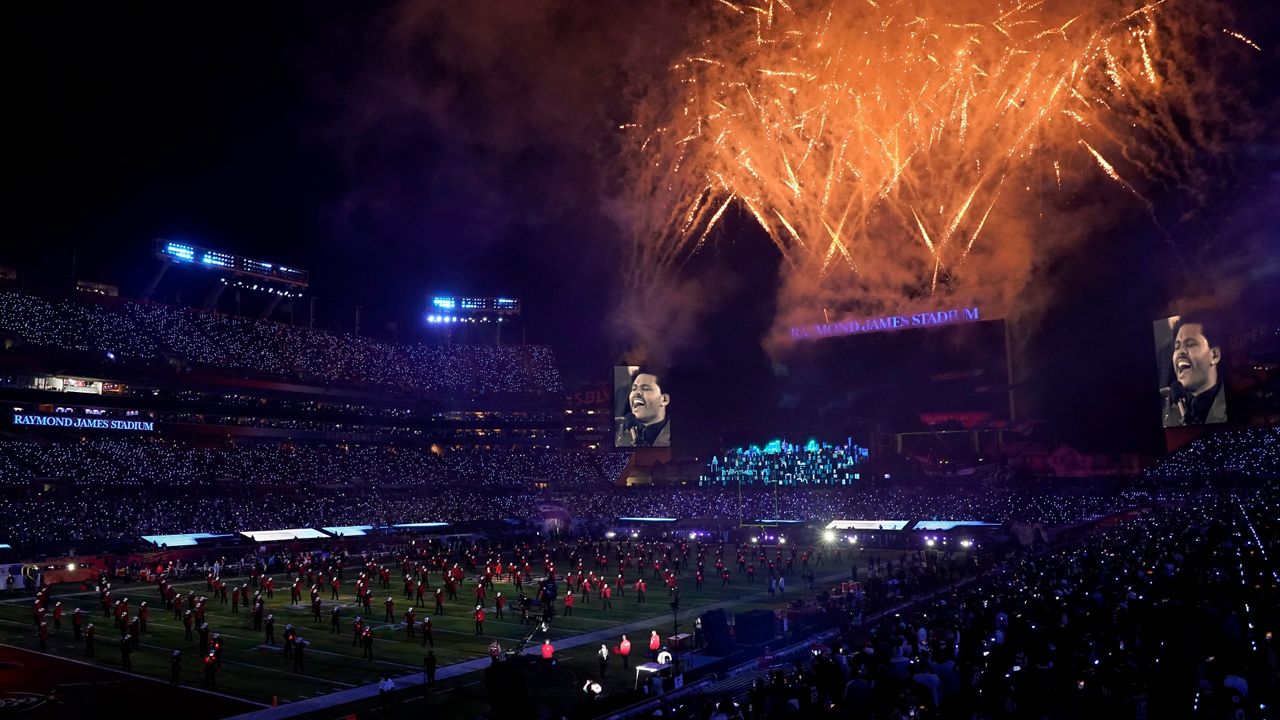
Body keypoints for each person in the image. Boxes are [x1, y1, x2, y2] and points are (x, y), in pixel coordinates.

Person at [1161, 314, 1228, 426]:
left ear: (1215, 355)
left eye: (1190, 344)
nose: (1180, 352)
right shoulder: (1165, 404)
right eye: (1177, 347)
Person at [614, 368, 671, 447]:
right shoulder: (618, 431)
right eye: (634, 389)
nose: (636, 393)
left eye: (646, 388)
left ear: (664, 400)